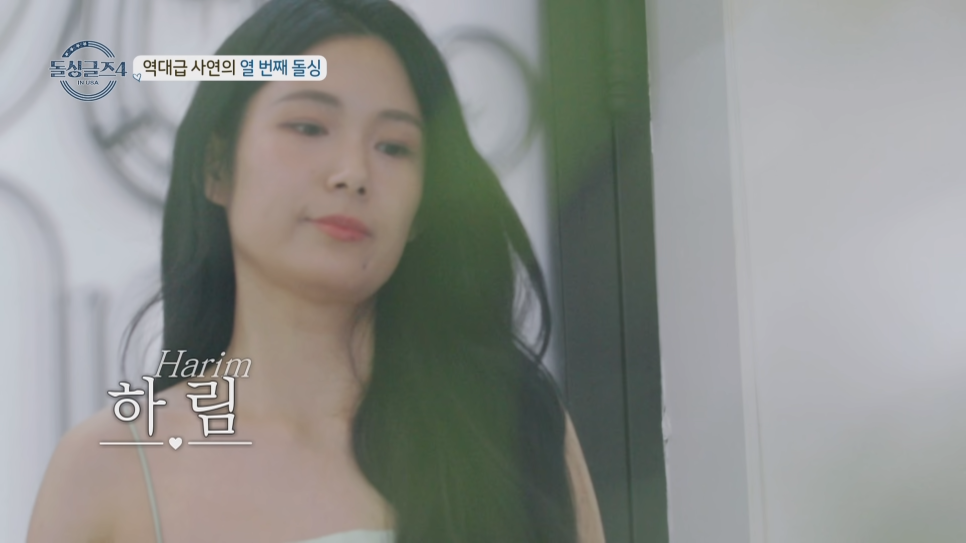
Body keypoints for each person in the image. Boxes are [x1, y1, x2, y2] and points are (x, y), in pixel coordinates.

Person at [27, 0, 605, 541]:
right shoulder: (108, 466)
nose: (352, 172)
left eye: (394, 147)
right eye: (308, 127)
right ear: (216, 165)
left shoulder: (511, 429)